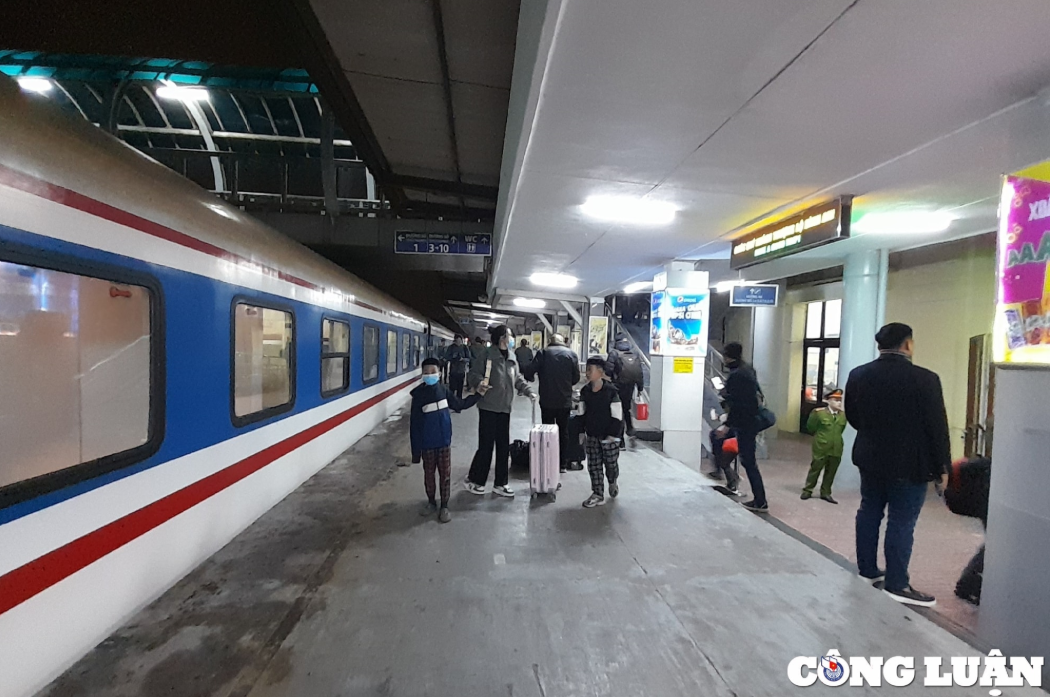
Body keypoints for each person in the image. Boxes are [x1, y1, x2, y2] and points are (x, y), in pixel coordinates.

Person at [845, 322, 951, 607]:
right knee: (902, 521)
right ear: (908, 344)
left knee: (869, 511)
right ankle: (897, 583)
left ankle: (867, 570)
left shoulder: (859, 375)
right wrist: (942, 466)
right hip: (909, 463)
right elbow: (937, 427)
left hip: (869, 458)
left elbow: (853, 416)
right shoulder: (926, 379)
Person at [465, 325, 536, 497]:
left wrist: (528, 391)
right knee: (486, 445)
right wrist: (479, 383)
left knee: (503, 446)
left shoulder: (512, 357)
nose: (511, 339)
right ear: (502, 338)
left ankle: (501, 483)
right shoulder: (487, 355)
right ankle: (476, 480)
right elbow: (473, 374)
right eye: (510, 335)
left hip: (505, 407)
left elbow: (517, 378)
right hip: (488, 406)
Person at [410, 358, 481, 522]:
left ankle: (444, 505)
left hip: (443, 442)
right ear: (422, 375)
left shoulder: (443, 391)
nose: (430, 375)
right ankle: (431, 502)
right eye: (426, 373)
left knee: (445, 475)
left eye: (433, 372)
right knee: (429, 475)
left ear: (440, 373)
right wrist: (416, 452)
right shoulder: (418, 396)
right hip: (427, 444)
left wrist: (478, 395)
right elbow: (415, 426)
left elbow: (459, 404)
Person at [718, 342, 767, 513]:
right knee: (748, 461)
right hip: (751, 421)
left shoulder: (737, 375)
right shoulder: (748, 369)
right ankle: (755, 497)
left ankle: (760, 501)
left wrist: (727, 425)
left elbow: (738, 403)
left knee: (749, 462)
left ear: (728, 356)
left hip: (745, 423)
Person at [522, 334, 581, 473]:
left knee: (547, 431)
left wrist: (533, 377)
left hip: (547, 400)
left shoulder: (543, 353)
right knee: (563, 431)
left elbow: (529, 371)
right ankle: (562, 464)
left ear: (550, 342)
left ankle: (548, 461)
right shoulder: (571, 354)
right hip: (564, 400)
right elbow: (576, 378)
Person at [578, 357, 623, 508]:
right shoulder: (585, 391)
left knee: (611, 463)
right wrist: (581, 431)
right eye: (587, 370)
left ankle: (612, 480)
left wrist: (613, 434)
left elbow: (617, 415)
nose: (587, 373)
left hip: (609, 436)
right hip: (592, 434)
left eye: (590, 370)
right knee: (594, 465)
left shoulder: (611, 392)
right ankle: (597, 494)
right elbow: (581, 413)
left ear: (600, 372)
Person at [801, 388, 846, 504]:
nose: (838, 403)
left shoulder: (843, 416)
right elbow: (811, 427)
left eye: (840, 400)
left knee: (831, 471)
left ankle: (826, 492)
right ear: (828, 401)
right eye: (835, 400)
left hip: (836, 447)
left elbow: (841, 429)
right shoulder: (819, 413)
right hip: (821, 446)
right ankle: (808, 490)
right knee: (816, 468)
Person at [606, 333, 645, 449]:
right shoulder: (634, 353)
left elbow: (608, 370)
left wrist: (612, 378)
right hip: (630, 386)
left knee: (618, 411)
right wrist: (640, 387)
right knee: (626, 409)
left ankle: (620, 439)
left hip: (617, 386)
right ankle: (631, 430)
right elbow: (639, 372)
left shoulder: (614, 353)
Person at [445, 335, 472, 400]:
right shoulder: (451, 348)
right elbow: (446, 357)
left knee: (460, 389)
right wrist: (453, 358)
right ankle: (451, 401)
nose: (458, 342)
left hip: (461, 371)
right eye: (457, 341)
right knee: (452, 388)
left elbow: (469, 358)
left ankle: (458, 402)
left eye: (459, 341)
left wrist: (462, 359)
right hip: (453, 371)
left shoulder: (465, 348)